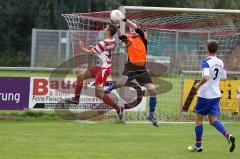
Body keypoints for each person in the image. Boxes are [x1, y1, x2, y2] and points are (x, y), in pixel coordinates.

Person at [105, 17, 159, 127]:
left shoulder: (142, 36)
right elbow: (121, 37)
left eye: (133, 28)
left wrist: (124, 19)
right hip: (130, 67)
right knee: (120, 84)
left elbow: (136, 27)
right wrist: (118, 28)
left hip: (141, 68)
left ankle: (152, 114)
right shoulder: (128, 37)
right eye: (130, 28)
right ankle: (109, 89)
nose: (131, 29)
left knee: (153, 91)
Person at [64, 23, 124, 120]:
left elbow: (91, 52)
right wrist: (116, 27)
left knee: (99, 94)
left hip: (103, 69)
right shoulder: (113, 40)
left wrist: (83, 48)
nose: (104, 28)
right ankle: (76, 99)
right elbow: (101, 50)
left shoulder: (103, 42)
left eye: (106, 28)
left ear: (108, 32)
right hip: (99, 66)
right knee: (80, 76)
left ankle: (118, 108)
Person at [188, 40, 235, 152]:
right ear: (216, 50)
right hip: (216, 94)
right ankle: (228, 136)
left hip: (205, 95)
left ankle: (198, 145)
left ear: (207, 49)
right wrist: (215, 78)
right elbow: (224, 77)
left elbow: (205, 77)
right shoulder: (220, 62)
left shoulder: (205, 62)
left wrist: (198, 85)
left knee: (198, 119)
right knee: (213, 119)